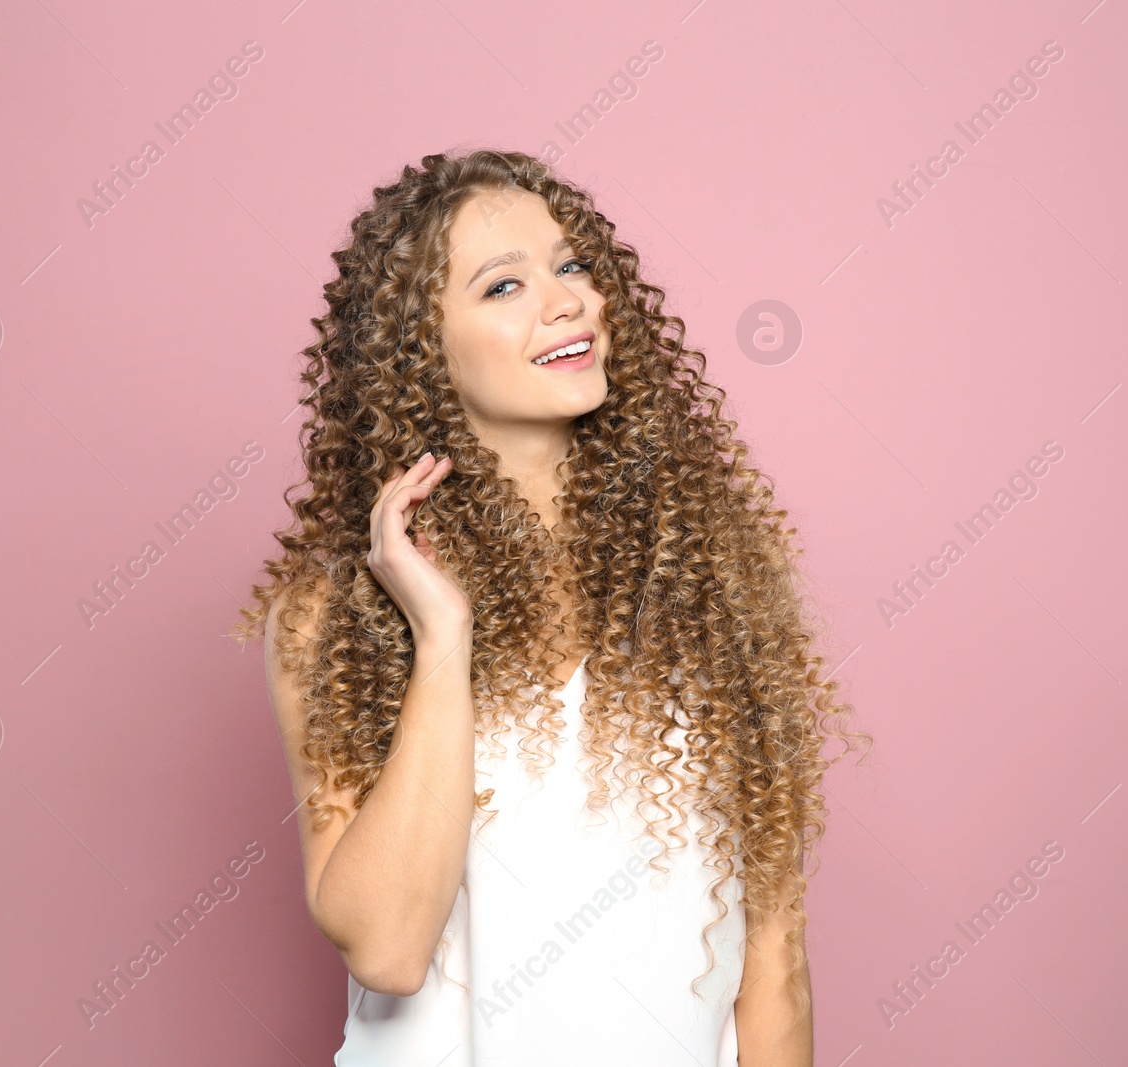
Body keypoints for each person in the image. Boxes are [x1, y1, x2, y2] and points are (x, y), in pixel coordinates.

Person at [233, 148, 870, 1065]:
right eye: (503, 286)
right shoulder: (335, 615)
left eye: (572, 265)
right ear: (420, 346)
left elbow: (774, 962)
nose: (568, 299)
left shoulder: (705, 578)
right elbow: (386, 946)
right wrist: (442, 639)